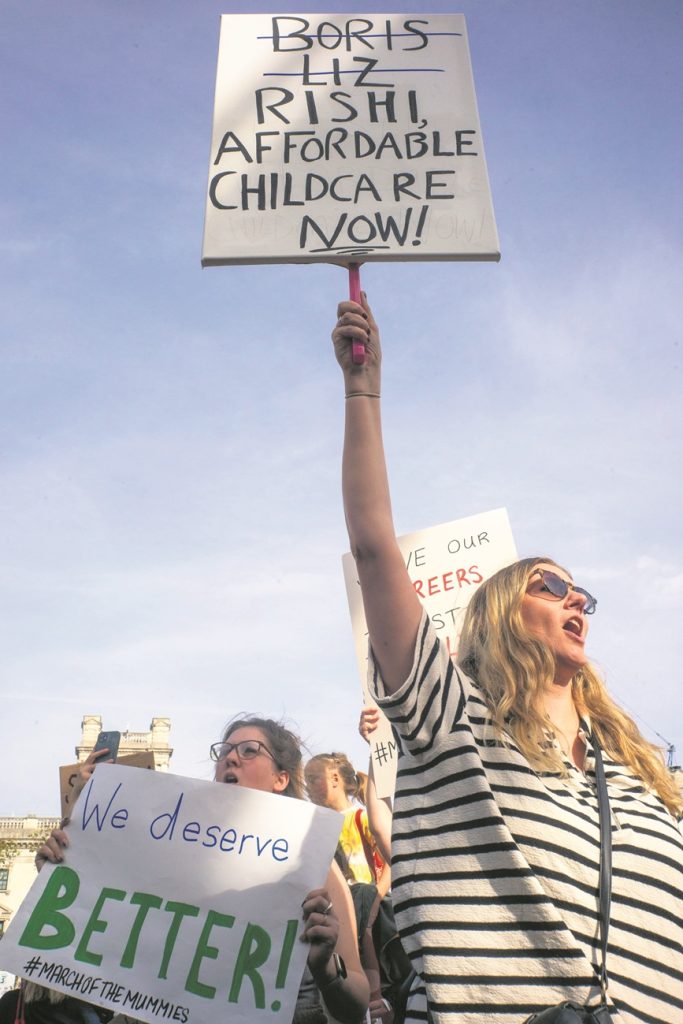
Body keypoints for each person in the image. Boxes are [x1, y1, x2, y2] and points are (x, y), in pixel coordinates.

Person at [332, 295, 683, 1024]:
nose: (575, 600)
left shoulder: (645, 782)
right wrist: (362, 390)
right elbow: (373, 544)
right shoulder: (449, 719)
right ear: (498, 615)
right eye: (550, 586)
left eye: (580, 591)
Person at [37, 717, 370, 1024]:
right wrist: (63, 870)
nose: (230, 758)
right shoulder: (175, 858)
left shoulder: (312, 862)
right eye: (223, 752)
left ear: (281, 778)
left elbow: (357, 1006)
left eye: (249, 751)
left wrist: (326, 969)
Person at [305, 752, 391, 897]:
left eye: (313, 780)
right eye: (307, 783)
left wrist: (376, 899)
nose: (307, 789)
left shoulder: (361, 818)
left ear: (335, 779)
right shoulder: (317, 829)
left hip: (366, 901)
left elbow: (390, 862)